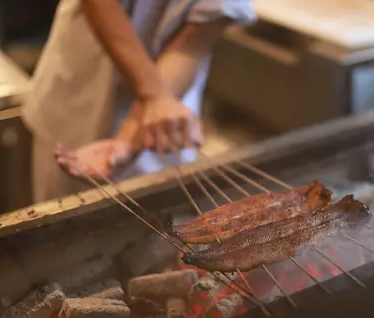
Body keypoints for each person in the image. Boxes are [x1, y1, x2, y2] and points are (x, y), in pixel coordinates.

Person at [22, 0, 256, 203]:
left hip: (163, 117)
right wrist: (154, 96)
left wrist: (129, 138)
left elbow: (192, 42)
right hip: (80, 95)